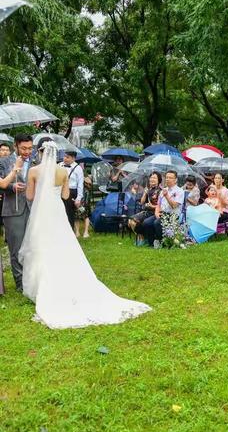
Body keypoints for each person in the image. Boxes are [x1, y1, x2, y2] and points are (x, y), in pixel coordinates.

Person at [17, 140, 150, 328]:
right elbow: (65, 196)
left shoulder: (34, 171)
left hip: (41, 213)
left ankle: (42, 285)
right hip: (57, 212)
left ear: (39, 152)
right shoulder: (62, 172)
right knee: (62, 244)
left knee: (41, 245)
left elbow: (29, 197)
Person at [0, 134, 34, 291]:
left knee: (33, 247)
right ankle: (21, 284)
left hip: (33, 208)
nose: (27, 151)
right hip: (13, 210)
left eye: (30, 148)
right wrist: (12, 187)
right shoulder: (4, 161)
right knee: (17, 248)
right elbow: (1, 183)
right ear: (16, 146)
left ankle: (32, 280)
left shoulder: (37, 161)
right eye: (24, 148)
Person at [142, 170, 184, 247]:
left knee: (157, 223)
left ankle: (161, 242)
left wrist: (167, 196)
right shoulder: (163, 190)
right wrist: (156, 213)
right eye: (167, 177)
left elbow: (174, 205)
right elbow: (158, 204)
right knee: (146, 222)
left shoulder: (179, 191)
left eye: (170, 178)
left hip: (172, 215)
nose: (168, 179)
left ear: (176, 180)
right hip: (161, 213)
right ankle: (151, 243)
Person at [128, 171, 162, 238]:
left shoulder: (160, 191)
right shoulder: (148, 190)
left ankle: (142, 237)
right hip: (146, 212)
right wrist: (145, 193)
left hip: (154, 212)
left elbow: (161, 206)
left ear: (159, 180)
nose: (152, 179)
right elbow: (142, 202)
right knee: (130, 221)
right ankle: (141, 235)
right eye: (151, 177)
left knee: (141, 222)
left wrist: (152, 206)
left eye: (154, 178)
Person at [59, 151, 84, 230]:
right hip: (59, 190)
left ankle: (70, 232)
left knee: (69, 213)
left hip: (71, 191)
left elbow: (80, 184)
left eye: (67, 157)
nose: (65, 159)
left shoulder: (78, 168)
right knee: (60, 211)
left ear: (73, 158)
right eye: (64, 156)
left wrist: (79, 198)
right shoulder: (59, 165)